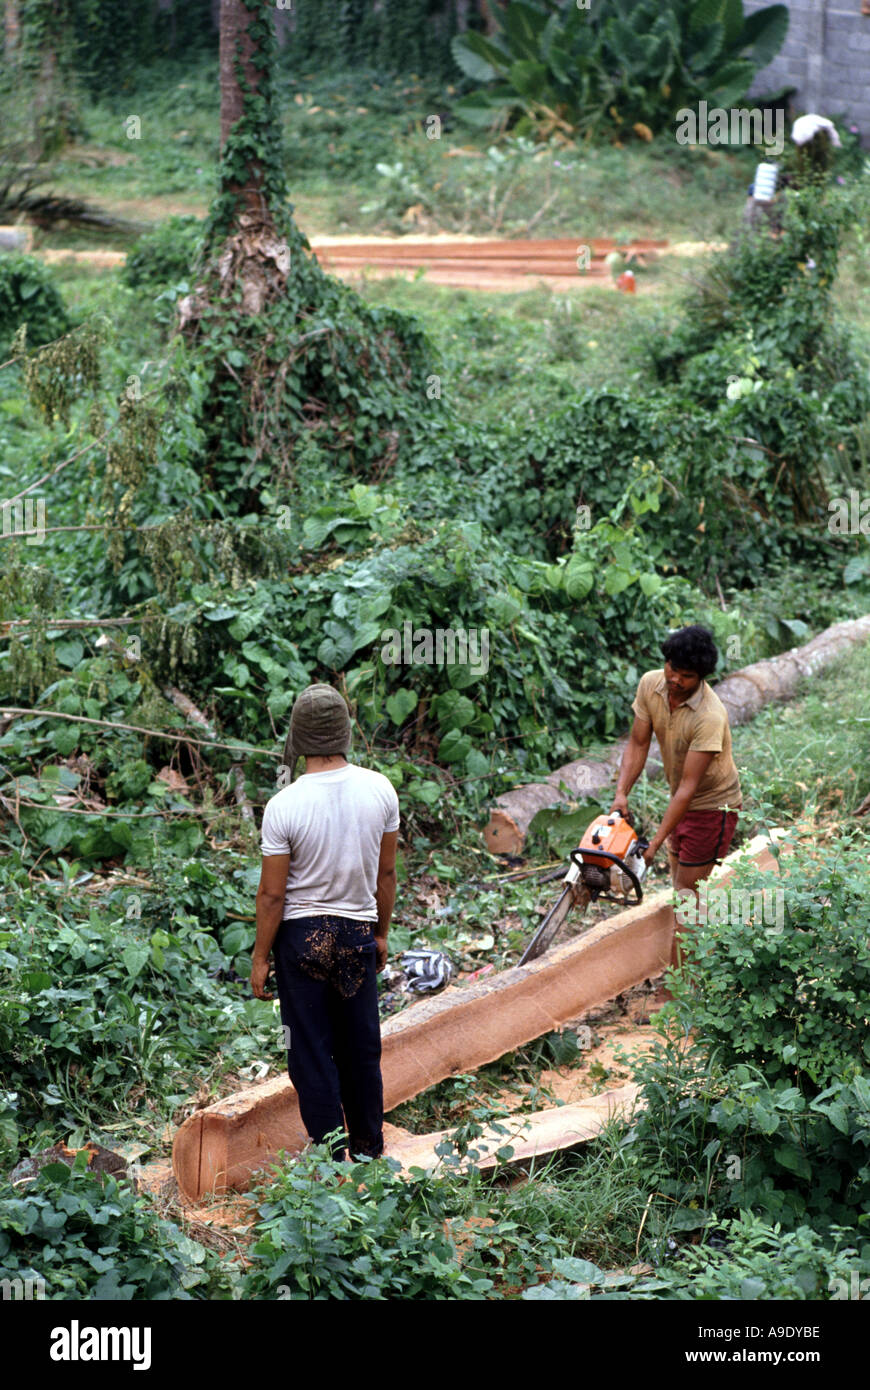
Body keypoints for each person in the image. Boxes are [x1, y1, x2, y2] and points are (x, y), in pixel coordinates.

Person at [250, 683, 399, 1160]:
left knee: (309, 1049)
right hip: (356, 934)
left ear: (297, 740)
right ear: (345, 733)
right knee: (361, 1048)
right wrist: (380, 934)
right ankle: (369, 1150)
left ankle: (333, 1160)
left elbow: (273, 896)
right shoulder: (380, 789)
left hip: (301, 943)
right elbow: (387, 873)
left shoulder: (284, 806)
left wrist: (258, 958)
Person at [610, 625, 741, 1002]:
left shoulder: (709, 716)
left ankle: (675, 992)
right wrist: (621, 794)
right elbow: (637, 742)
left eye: (686, 676)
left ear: (701, 677)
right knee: (682, 893)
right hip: (679, 802)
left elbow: (688, 788)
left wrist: (655, 843)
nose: (676, 679)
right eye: (672, 668)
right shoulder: (651, 685)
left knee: (686, 896)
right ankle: (693, 964)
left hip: (712, 807)